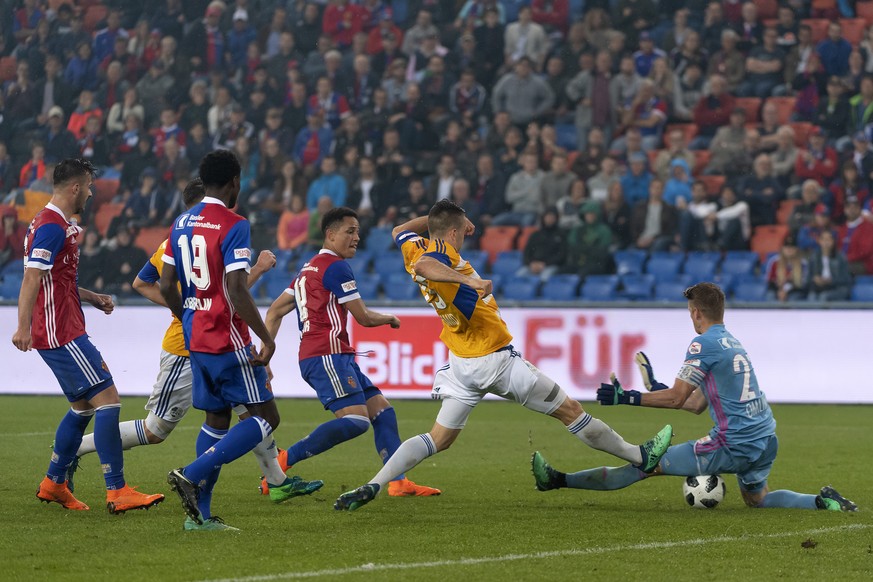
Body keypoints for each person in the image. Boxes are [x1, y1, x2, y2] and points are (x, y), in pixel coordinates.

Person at [333, 200, 673, 511]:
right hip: (495, 360)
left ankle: (373, 485)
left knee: (439, 439)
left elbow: (399, 231)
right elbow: (426, 267)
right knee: (571, 411)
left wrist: (446, 217)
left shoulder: (414, 245)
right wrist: (472, 284)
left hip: (462, 363)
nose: (467, 234)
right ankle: (639, 455)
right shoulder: (438, 256)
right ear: (452, 233)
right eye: (462, 229)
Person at [71, 179, 316, 505]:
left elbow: (207, 293)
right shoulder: (193, 237)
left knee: (251, 413)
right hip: (187, 349)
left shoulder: (187, 235)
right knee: (157, 429)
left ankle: (276, 480)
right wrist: (251, 273)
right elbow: (209, 291)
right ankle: (77, 449)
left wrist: (189, 305)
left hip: (220, 341)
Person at [531, 282, 858, 513]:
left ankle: (557, 481)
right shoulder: (732, 341)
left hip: (733, 444)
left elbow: (676, 400)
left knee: (642, 463)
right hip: (765, 439)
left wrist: (625, 397)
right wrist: (657, 387)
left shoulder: (703, 344)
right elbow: (695, 403)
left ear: (696, 312)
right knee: (757, 499)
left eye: (690, 311)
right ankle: (821, 501)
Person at [161, 150, 320, 531]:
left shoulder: (180, 222)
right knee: (266, 417)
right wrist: (266, 338)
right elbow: (235, 287)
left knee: (216, 419)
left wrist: (185, 315)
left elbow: (166, 283)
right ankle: (193, 472)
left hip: (195, 336)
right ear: (234, 182)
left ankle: (199, 518)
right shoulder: (234, 224)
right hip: (227, 340)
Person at [11, 158, 164, 514]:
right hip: (59, 331)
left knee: (82, 408)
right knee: (108, 399)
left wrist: (92, 297)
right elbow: (32, 277)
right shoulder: (50, 226)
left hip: (63, 324)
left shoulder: (52, 223)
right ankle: (117, 489)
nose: (93, 193)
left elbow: (54, 279)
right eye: (90, 187)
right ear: (75, 187)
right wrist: (22, 327)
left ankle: (54, 483)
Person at [263, 206, 440, 498]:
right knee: (356, 421)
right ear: (330, 235)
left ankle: (398, 482)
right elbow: (364, 317)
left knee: (382, 411)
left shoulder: (308, 268)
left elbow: (273, 312)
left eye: (358, 231)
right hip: (325, 355)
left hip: (333, 356)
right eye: (350, 231)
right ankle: (282, 461)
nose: (356, 237)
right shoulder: (336, 267)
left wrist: (265, 356)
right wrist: (390, 319)